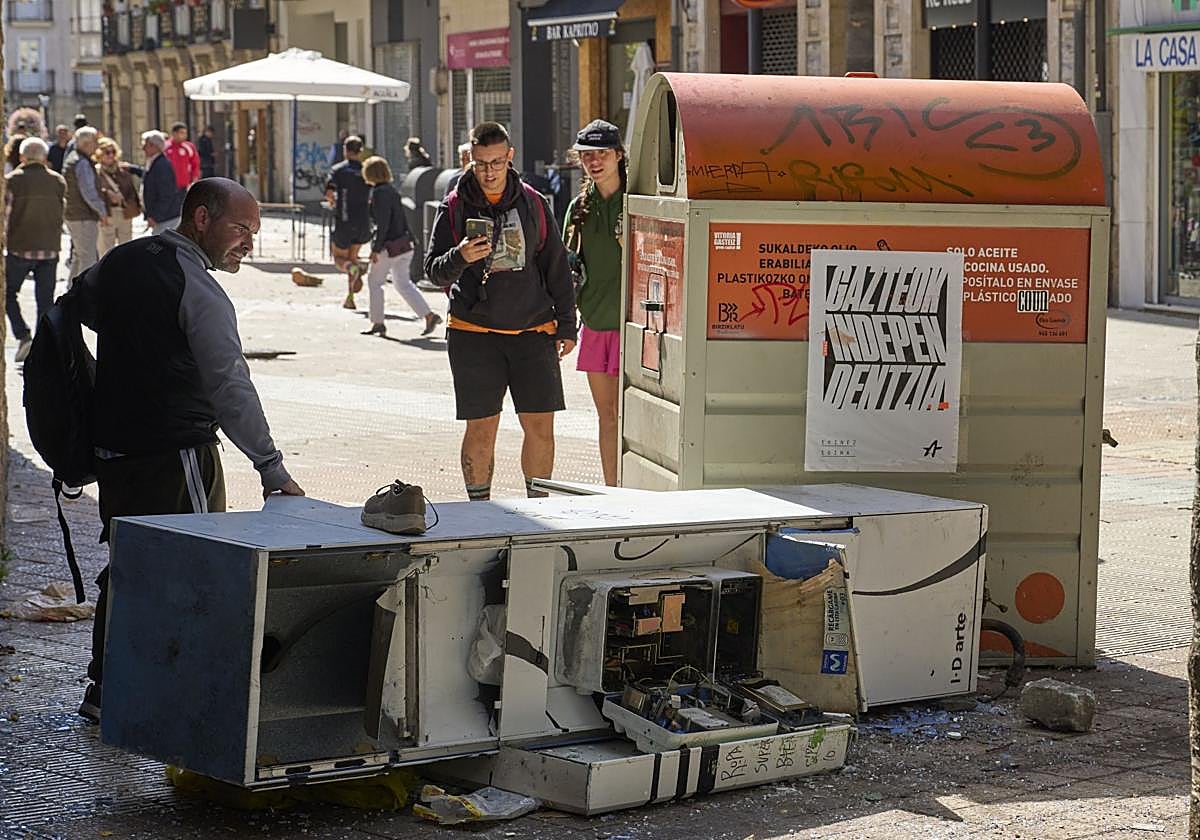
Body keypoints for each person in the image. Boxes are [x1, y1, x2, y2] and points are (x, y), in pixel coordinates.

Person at [72, 177, 306, 723]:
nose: (249, 241)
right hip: (174, 451)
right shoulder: (198, 288)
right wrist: (271, 467)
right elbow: (230, 386)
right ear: (201, 218)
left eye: (255, 230)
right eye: (240, 228)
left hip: (116, 448)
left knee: (128, 564)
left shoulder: (124, 260)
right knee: (198, 566)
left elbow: (77, 307)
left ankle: (106, 690)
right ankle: (184, 696)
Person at [425, 121, 577, 501]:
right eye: (480, 164)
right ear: (470, 161)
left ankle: (538, 511)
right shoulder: (455, 205)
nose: (489, 172)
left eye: (496, 162)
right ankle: (479, 511)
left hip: (533, 331)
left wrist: (568, 327)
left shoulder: (534, 204)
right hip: (473, 333)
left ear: (510, 157)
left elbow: (557, 268)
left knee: (541, 428)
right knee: (481, 429)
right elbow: (430, 269)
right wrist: (459, 256)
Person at [563, 120, 626, 486]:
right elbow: (566, 269)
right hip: (596, 324)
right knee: (608, 416)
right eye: (587, 155)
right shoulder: (578, 208)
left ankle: (637, 489)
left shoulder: (639, 200)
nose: (595, 161)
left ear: (619, 155)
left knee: (634, 418)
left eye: (602, 153)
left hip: (635, 328)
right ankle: (612, 489)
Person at [360, 155, 442, 338]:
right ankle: (428, 315)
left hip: (387, 247)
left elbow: (383, 223)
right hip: (404, 244)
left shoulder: (379, 193)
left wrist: (375, 248)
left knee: (375, 282)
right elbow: (401, 219)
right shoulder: (392, 191)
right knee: (403, 283)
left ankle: (377, 322)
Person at [5, 137, 65, 362]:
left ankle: (23, 336)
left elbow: (7, 216)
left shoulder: (12, 181)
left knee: (8, 294)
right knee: (45, 300)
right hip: (49, 248)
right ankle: (42, 346)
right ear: (44, 157)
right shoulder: (57, 181)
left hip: (20, 247)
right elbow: (61, 212)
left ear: (22, 157)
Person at [324, 135, 372, 310]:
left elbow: (329, 193)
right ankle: (350, 298)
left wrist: (334, 203)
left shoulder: (338, 170)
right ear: (360, 151)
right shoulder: (366, 170)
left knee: (339, 259)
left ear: (345, 150)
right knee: (352, 257)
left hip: (344, 220)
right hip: (363, 222)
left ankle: (353, 269)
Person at [63, 127, 107, 279]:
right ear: (87, 143)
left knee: (79, 256)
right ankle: (81, 297)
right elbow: (89, 192)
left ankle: (70, 293)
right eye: (95, 142)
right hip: (83, 216)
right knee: (87, 258)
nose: (97, 146)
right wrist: (102, 212)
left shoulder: (75, 158)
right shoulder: (81, 162)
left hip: (75, 214)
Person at [93, 137, 142, 254]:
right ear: (99, 154)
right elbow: (93, 193)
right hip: (107, 213)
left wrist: (127, 202)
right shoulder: (95, 172)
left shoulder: (123, 171)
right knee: (106, 250)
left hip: (124, 213)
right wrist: (107, 194)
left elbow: (132, 191)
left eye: (113, 152)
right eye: (107, 152)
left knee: (126, 249)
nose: (111, 155)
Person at [135, 130, 184, 234]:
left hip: (166, 218)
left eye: (146, 145)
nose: (143, 148)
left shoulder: (162, 165)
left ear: (154, 146)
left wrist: (156, 217)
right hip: (162, 218)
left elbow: (167, 194)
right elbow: (148, 176)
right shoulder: (155, 162)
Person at [164, 122, 201, 190]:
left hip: (184, 185)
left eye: (185, 133)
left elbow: (195, 164)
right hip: (168, 185)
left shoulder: (188, 147)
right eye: (182, 133)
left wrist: (195, 179)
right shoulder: (165, 147)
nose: (185, 135)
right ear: (174, 133)